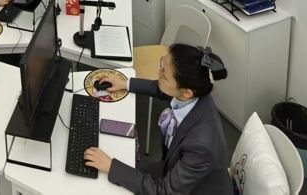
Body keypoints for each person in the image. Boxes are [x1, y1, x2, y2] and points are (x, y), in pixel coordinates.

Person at [84, 44, 232, 195]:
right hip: (174, 170)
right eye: (162, 66)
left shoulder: (200, 146)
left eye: (163, 74)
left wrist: (111, 166)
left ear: (186, 92)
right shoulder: (195, 91)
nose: (158, 73)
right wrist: (125, 83)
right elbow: (162, 89)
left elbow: (164, 192)